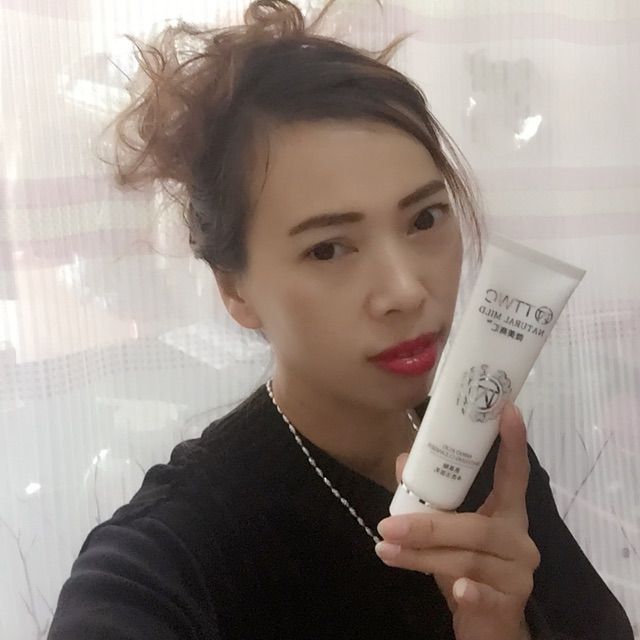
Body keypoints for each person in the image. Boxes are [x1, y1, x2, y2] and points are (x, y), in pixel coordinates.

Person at [48, 1, 634, 638]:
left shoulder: (482, 452)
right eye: (328, 249)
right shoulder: (168, 557)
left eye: (425, 219)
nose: (406, 291)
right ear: (234, 289)